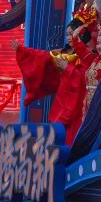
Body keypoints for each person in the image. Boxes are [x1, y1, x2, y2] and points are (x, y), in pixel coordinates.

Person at [15, 9, 94, 141]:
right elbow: (43, 57)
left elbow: (85, 79)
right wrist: (22, 51)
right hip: (62, 100)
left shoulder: (88, 55)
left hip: (78, 104)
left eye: (72, 34)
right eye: (67, 34)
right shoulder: (64, 53)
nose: (69, 37)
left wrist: (68, 68)